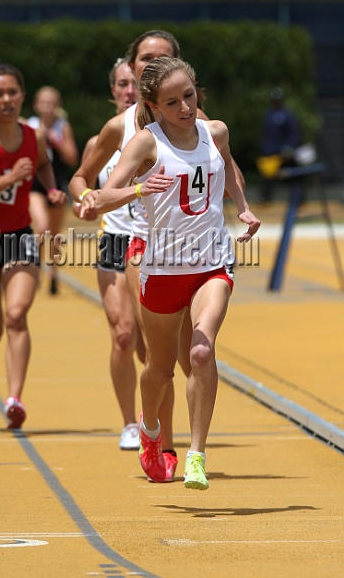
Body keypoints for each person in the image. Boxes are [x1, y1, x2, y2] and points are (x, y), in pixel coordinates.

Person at [94, 56, 260, 488]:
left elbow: (227, 169)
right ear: (153, 104)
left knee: (202, 353)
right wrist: (136, 187)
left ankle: (196, 454)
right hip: (162, 268)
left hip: (212, 263)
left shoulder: (215, 131)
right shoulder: (146, 144)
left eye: (189, 96)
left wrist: (241, 208)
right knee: (159, 369)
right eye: (173, 102)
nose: (185, 108)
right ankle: (151, 432)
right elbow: (104, 196)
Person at [69, 31, 185, 476]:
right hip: (119, 240)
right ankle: (131, 425)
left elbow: (217, 169)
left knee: (159, 355)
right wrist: (86, 198)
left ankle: (164, 435)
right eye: (144, 59)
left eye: (163, 58)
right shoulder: (118, 127)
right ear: (132, 70)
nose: (150, 65)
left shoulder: (191, 122)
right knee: (123, 334)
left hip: (170, 246)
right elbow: (81, 177)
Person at [0, 64, 67, 429]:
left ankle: (14, 399)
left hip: (19, 237)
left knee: (16, 315)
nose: (6, 99)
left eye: (12, 92)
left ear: (22, 94)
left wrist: (50, 189)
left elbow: (46, 167)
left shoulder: (34, 136)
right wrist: (8, 177)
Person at [27, 86, 78, 295]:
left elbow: (72, 157)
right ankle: (37, 268)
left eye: (51, 103)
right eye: (43, 102)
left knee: (54, 234)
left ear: (57, 106)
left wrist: (53, 139)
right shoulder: (29, 124)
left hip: (56, 183)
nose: (47, 106)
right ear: (36, 105)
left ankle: (54, 273)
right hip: (35, 185)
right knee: (41, 227)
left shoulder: (62, 126)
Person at [257, 86, 301, 204]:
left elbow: (293, 133)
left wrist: (289, 148)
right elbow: (266, 135)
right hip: (270, 152)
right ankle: (265, 199)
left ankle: (298, 198)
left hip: (283, 152)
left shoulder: (287, 115)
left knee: (295, 174)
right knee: (267, 176)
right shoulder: (269, 115)